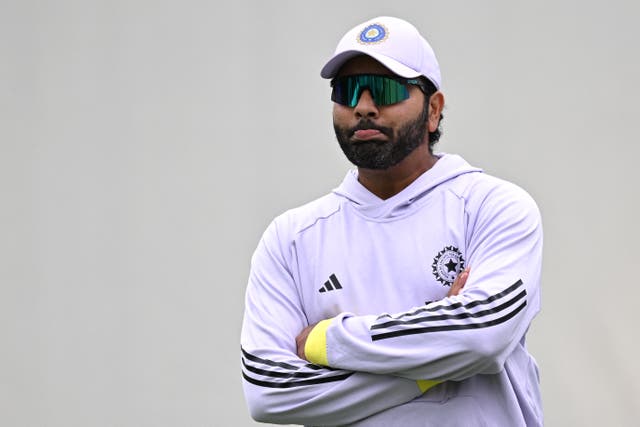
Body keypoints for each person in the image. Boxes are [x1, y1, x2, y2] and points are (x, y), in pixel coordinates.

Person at [240, 16, 543, 427]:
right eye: (347, 91)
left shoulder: (493, 207)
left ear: (433, 110)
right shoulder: (291, 238)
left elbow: (481, 335)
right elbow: (270, 391)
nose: (363, 106)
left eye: (384, 88)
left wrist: (324, 340)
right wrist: (435, 363)